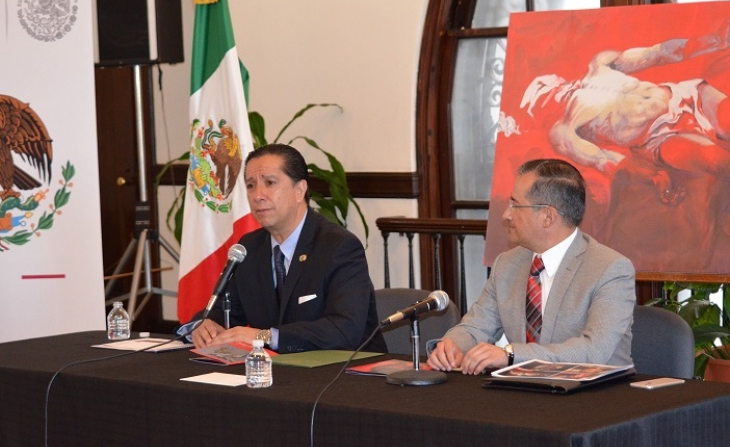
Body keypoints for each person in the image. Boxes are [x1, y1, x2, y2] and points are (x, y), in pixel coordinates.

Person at [427, 159, 635, 375]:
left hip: (598, 397)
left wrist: (511, 355)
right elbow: (475, 327)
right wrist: (453, 344)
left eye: (515, 205)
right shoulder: (507, 264)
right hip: (527, 392)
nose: (506, 215)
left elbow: (594, 351)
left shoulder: (610, 269)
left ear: (547, 217)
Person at [179, 143, 387, 354]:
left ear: (299, 190)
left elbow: (344, 330)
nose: (258, 195)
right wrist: (205, 327)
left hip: (346, 374)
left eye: (269, 183)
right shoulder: (249, 248)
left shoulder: (338, 247)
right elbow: (225, 314)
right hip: (277, 374)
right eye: (251, 186)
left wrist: (264, 336)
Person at [520, 21, 730, 204]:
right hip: (659, 139)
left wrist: (714, 41)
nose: (550, 94)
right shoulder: (564, 131)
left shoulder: (600, 65)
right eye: (540, 98)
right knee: (717, 161)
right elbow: (605, 160)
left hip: (685, 96)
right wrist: (652, 176)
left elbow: (656, 53)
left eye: (545, 87)